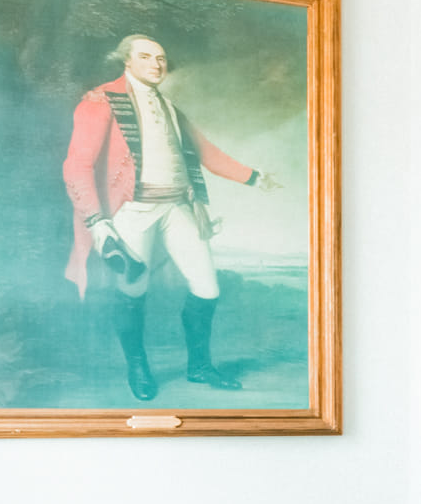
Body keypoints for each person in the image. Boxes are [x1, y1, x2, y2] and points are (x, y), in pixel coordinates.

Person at [60, 34, 277, 401]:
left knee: (207, 287)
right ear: (127, 61)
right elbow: (77, 166)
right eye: (146, 57)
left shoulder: (170, 108)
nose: (156, 64)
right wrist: (97, 221)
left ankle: (199, 367)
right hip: (132, 211)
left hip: (177, 207)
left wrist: (255, 177)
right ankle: (137, 366)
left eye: (161, 58)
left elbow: (207, 153)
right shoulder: (100, 101)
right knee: (133, 290)